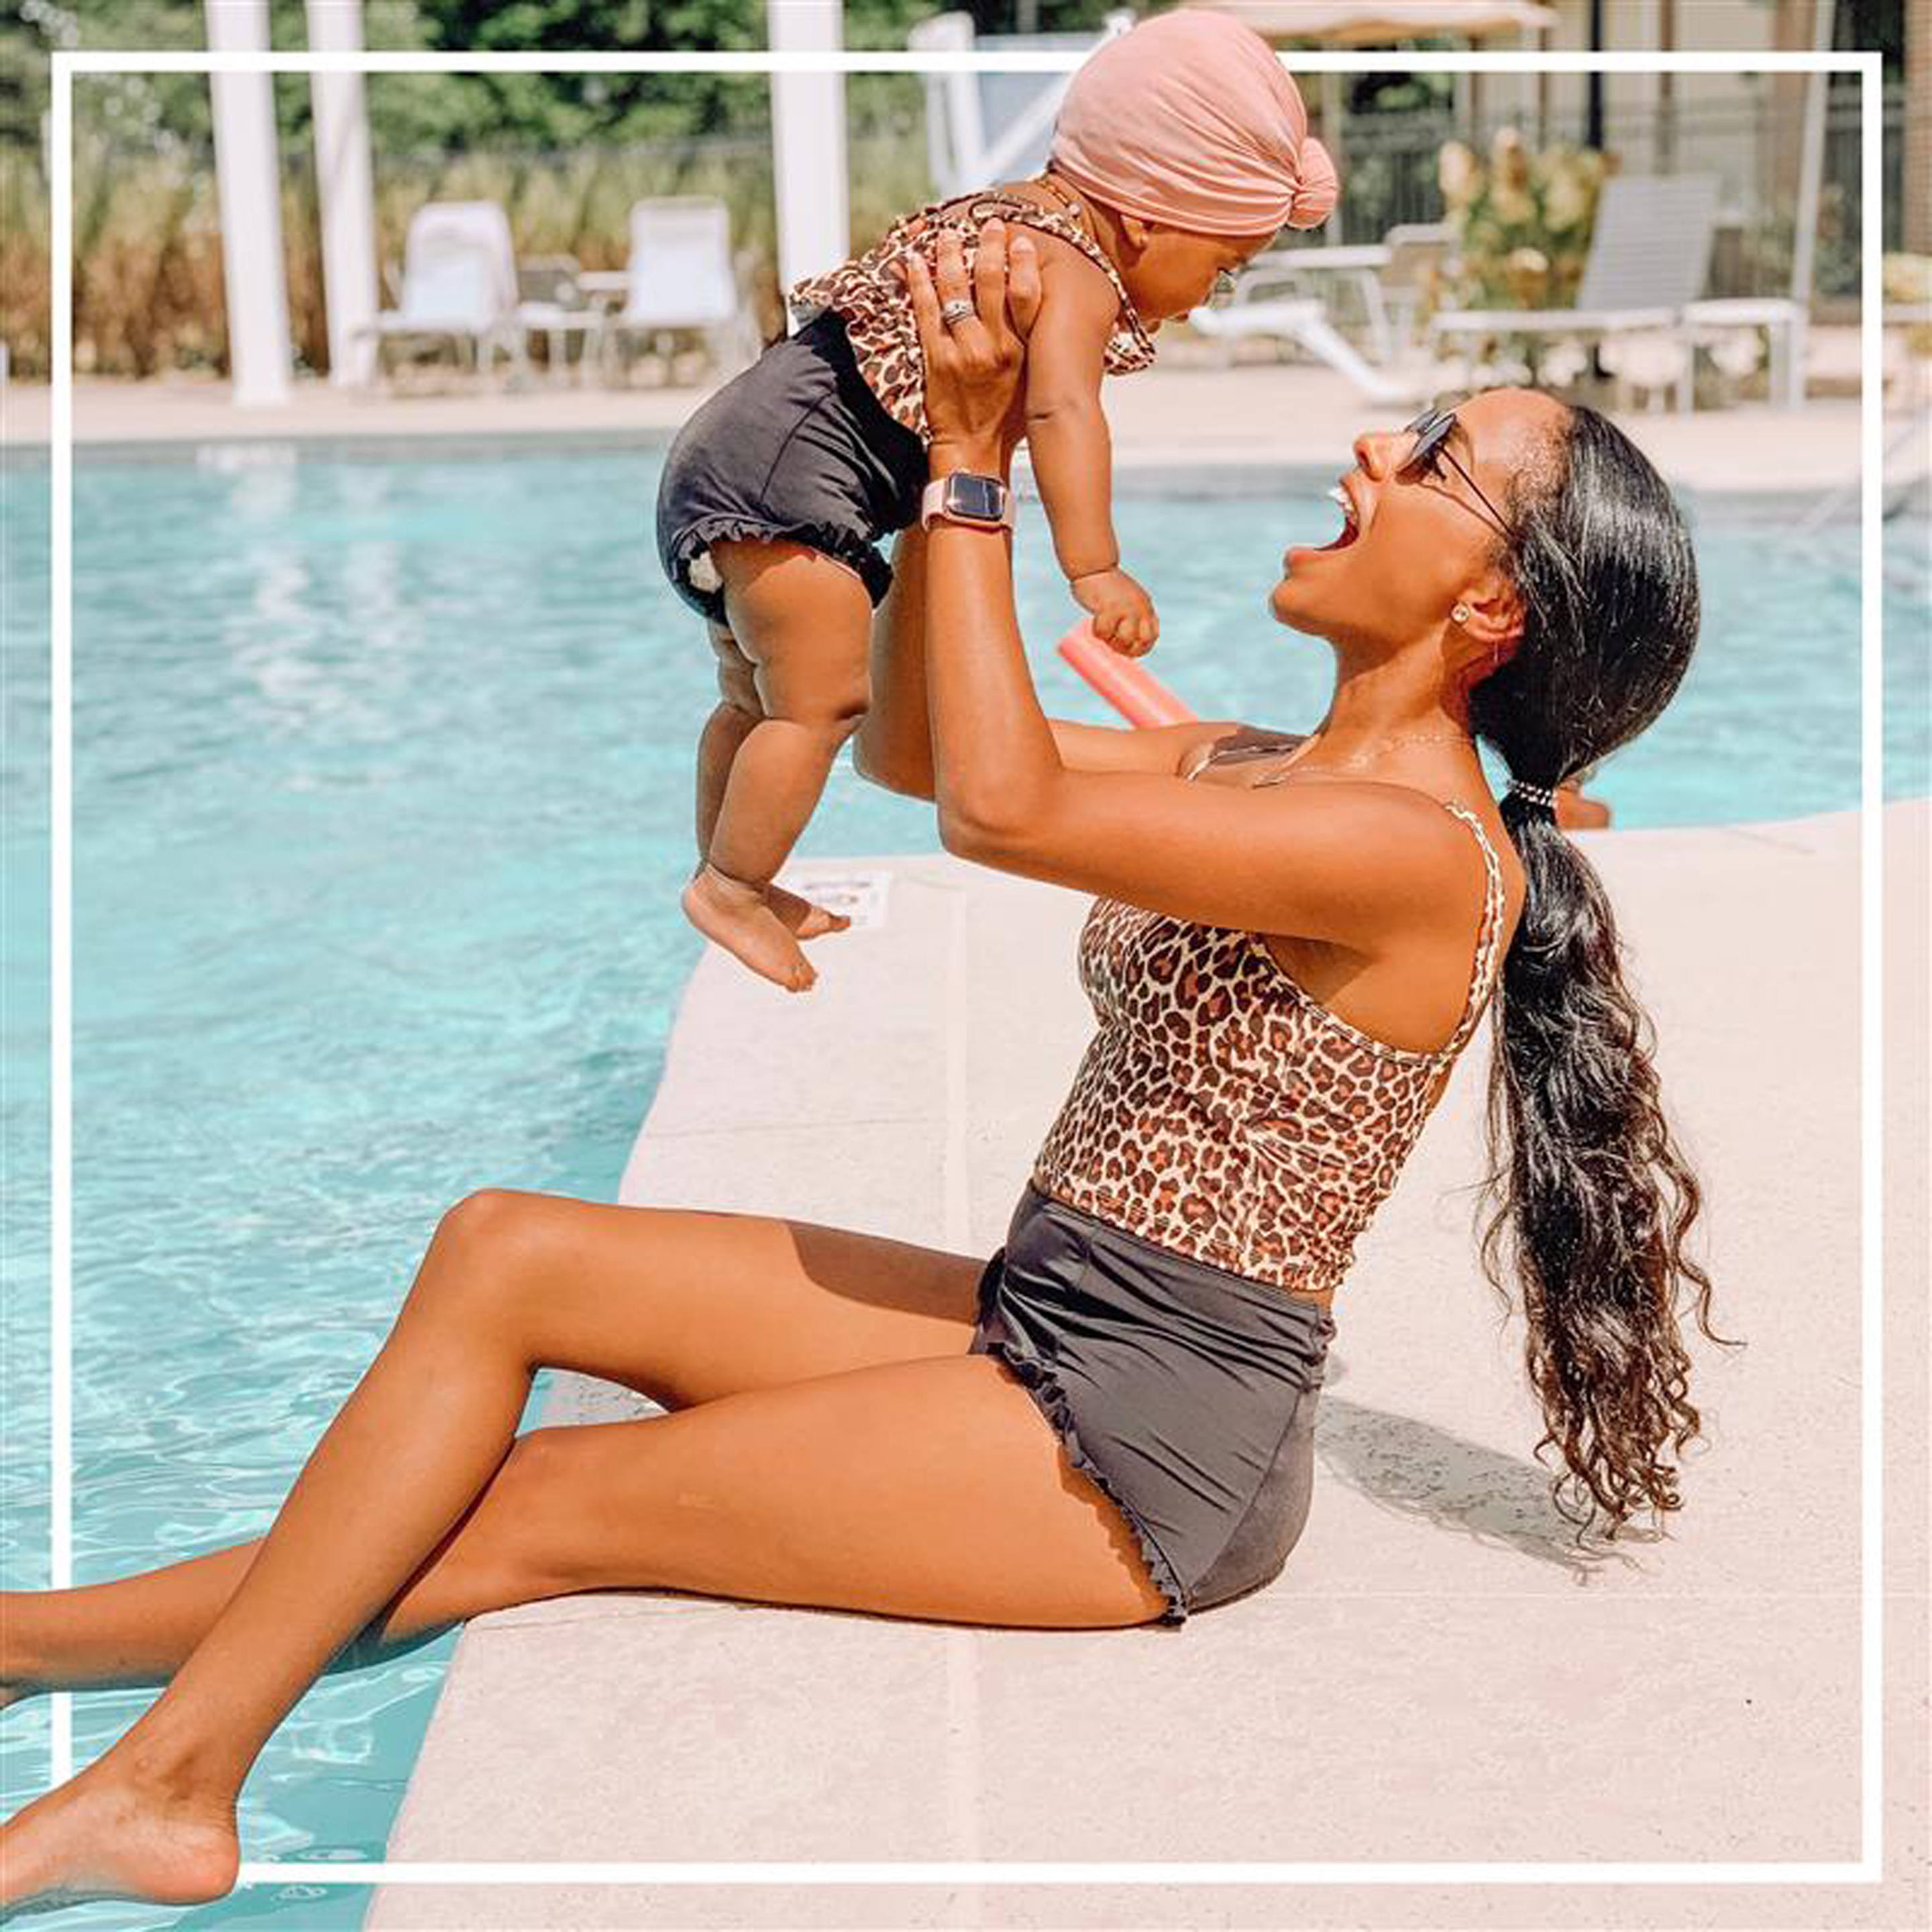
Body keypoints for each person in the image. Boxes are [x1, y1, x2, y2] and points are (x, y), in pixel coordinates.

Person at [0, 222, 1736, 1918]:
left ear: (1493, 602)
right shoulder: (1254, 765)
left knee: (544, 1499)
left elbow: (1004, 810)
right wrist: (914, 440)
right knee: (503, 1248)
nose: (1373, 442)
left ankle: (166, 1783)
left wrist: (981, 465)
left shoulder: (1417, 853)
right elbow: (919, 752)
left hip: (1143, 1446)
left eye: (1431, 455)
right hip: (1039, 1307)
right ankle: (23, 1653)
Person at [655, 7, 1336, 991]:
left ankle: (738, 876)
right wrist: (1093, 567)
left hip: (729, 457)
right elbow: (1064, 411)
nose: (1203, 300)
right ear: (1149, 214)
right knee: (821, 702)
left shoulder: (1015, 215)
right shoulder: (1073, 263)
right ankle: (729, 883)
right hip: (790, 483)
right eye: (1222, 270)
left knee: (749, 699)